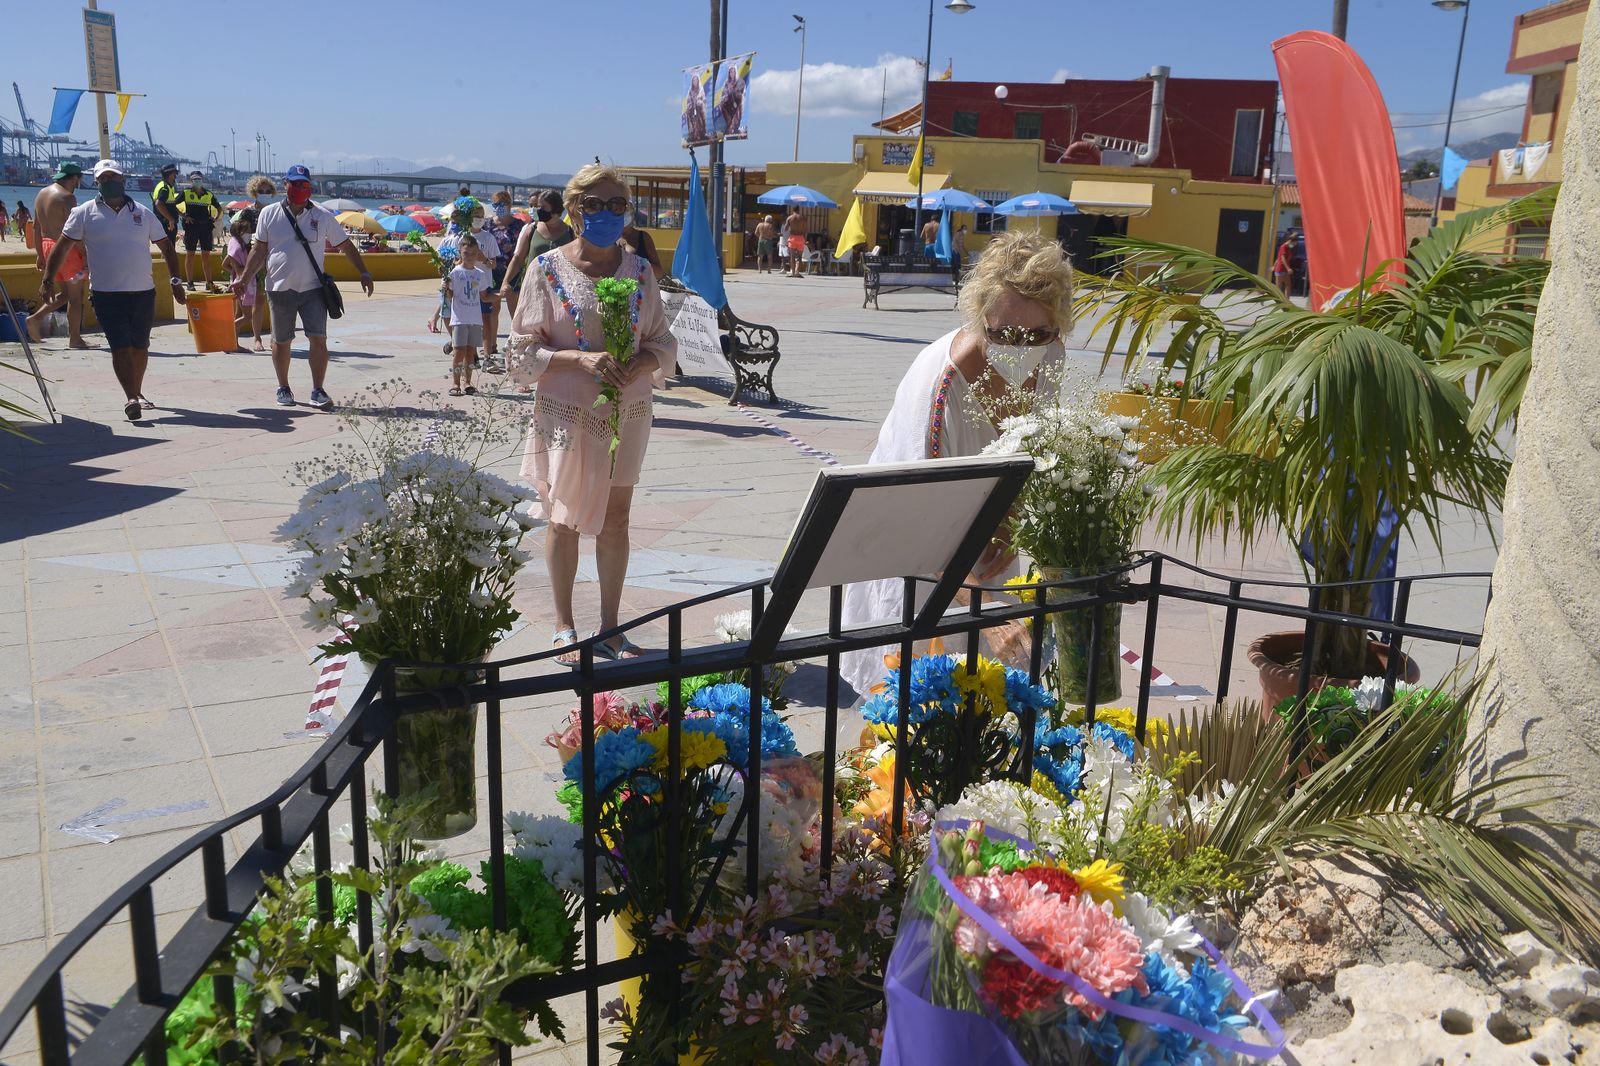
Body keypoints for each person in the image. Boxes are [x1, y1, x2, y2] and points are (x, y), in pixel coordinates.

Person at [838, 230, 1073, 697]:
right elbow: (918, 519)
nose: (1020, 345)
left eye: (1037, 334)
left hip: (986, 555)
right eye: (1003, 332)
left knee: (995, 702)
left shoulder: (1051, 356)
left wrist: (1008, 530)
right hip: (922, 557)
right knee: (914, 706)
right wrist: (988, 612)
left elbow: (1031, 454)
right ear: (979, 317)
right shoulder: (941, 388)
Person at [505, 163, 677, 663]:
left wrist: (643, 360)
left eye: (617, 206)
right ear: (575, 208)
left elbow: (664, 341)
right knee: (563, 516)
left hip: (628, 410)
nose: (606, 214)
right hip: (567, 413)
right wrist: (578, 358)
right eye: (595, 205)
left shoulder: (640, 271)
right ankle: (564, 625)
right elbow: (519, 352)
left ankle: (610, 626)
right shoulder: (547, 269)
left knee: (617, 517)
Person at [41, 160, 187, 423]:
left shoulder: (143, 213)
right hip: (106, 294)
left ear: (123, 179)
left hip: (143, 291)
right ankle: (131, 397)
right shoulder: (84, 212)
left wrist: (176, 281)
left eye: (113, 177)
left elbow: (166, 247)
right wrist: (48, 278)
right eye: (102, 178)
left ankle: (138, 391)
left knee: (140, 346)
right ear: (96, 183)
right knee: (120, 346)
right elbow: (61, 247)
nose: (108, 182)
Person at [230, 164, 374, 410]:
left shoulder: (322, 215)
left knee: (318, 339)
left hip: (313, 289)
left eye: (304, 185)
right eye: (295, 183)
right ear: (285, 184)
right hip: (279, 287)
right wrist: (244, 279)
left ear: (310, 187)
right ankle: (283, 387)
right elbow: (259, 249)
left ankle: (318, 390)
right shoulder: (269, 214)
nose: (299, 189)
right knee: (281, 340)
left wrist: (363, 271)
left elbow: (345, 245)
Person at [28, 161, 89, 347]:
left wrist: (40, 254)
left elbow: (36, 227)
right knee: (76, 296)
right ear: (74, 178)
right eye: (79, 179)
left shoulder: (41, 194)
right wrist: (84, 254)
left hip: (47, 247)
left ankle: (36, 318)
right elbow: (73, 231)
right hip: (66, 251)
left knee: (65, 294)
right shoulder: (67, 198)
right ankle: (75, 338)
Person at [502, 189, 574, 325]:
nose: (538, 210)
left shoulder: (570, 233)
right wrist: (506, 282)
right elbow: (518, 258)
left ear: (555, 209)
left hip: (561, 291)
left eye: (543, 207)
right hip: (533, 288)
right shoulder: (532, 229)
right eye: (538, 206)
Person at [445, 235, 495, 396]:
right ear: (460, 253)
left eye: (473, 254)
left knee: (470, 351)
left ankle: (468, 382)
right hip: (459, 318)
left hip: (474, 318)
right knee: (458, 351)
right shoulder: (455, 273)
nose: (470, 257)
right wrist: (445, 288)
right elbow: (450, 296)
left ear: (478, 254)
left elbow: (484, 296)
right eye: (466, 253)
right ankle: (455, 382)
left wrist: (501, 295)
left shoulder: (480, 274)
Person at [483, 192, 523, 359]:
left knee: (515, 310)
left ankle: (517, 346)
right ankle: (491, 346)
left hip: (513, 271)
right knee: (493, 309)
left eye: (503, 203)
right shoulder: (488, 225)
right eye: (496, 204)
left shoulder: (518, 225)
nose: (499, 207)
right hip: (492, 271)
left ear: (509, 205)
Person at [225, 215, 263, 351]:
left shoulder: (236, 245)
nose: (249, 233)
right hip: (244, 285)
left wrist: (233, 274)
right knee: (247, 316)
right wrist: (255, 268)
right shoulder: (237, 249)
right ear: (240, 232)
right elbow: (241, 270)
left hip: (240, 283)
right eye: (246, 231)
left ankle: (233, 344)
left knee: (239, 314)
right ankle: (226, 336)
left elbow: (225, 264)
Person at [179, 171, 222, 291]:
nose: (197, 181)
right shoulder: (186, 193)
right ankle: (190, 282)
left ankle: (209, 282)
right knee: (190, 254)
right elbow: (173, 205)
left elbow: (219, 208)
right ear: (191, 181)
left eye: (199, 179)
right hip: (191, 227)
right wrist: (184, 216)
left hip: (205, 227)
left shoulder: (208, 194)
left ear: (202, 180)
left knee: (206, 255)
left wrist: (216, 218)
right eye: (194, 179)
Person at [150, 162, 182, 247]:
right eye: (175, 173)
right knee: (168, 250)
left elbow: (171, 205)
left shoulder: (167, 186)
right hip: (166, 225)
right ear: (169, 174)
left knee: (167, 249)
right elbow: (159, 203)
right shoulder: (165, 187)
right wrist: (171, 219)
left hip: (167, 224)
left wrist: (183, 215)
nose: (176, 175)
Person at [784, 207, 807, 278]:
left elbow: (785, 229)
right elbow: (805, 229)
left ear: (793, 210)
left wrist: (791, 226)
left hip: (792, 238)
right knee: (799, 257)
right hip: (800, 238)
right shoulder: (802, 218)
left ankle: (793, 272)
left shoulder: (790, 218)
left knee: (792, 256)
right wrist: (805, 239)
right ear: (798, 210)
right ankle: (797, 272)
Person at [1272, 232, 1294, 296]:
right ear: (1290, 241)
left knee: (1288, 285)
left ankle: (1287, 302)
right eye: (1294, 243)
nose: (1294, 245)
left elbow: (1278, 258)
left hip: (1284, 270)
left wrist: (1274, 266)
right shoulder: (1283, 247)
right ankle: (1278, 301)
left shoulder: (1287, 247)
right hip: (1280, 269)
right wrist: (1288, 268)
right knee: (1278, 287)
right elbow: (1282, 258)